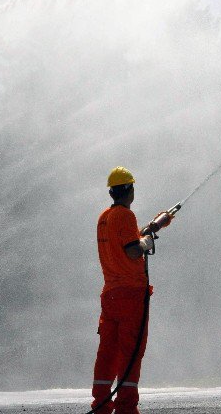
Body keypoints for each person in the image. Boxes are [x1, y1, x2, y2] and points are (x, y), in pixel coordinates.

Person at [90, 167, 158, 414]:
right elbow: (132, 250)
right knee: (131, 352)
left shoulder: (104, 218)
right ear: (129, 190)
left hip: (109, 296)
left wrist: (151, 228)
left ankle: (101, 405)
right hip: (131, 295)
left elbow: (123, 243)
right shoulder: (126, 216)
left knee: (107, 353)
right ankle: (127, 408)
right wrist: (146, 242)